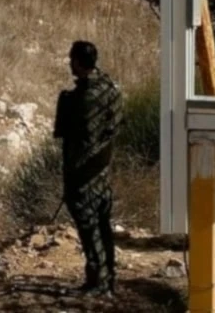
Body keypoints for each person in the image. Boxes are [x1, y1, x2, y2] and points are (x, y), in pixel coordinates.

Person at [53, 40, 123, 296]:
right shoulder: (110, 90)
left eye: (72, 60)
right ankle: (108, 277)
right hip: (101, 172)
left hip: (83, 174)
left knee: (89, 228)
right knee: (102, 226)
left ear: (78, 63)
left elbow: (70, 136)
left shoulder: (81, 99)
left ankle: (98, 281)